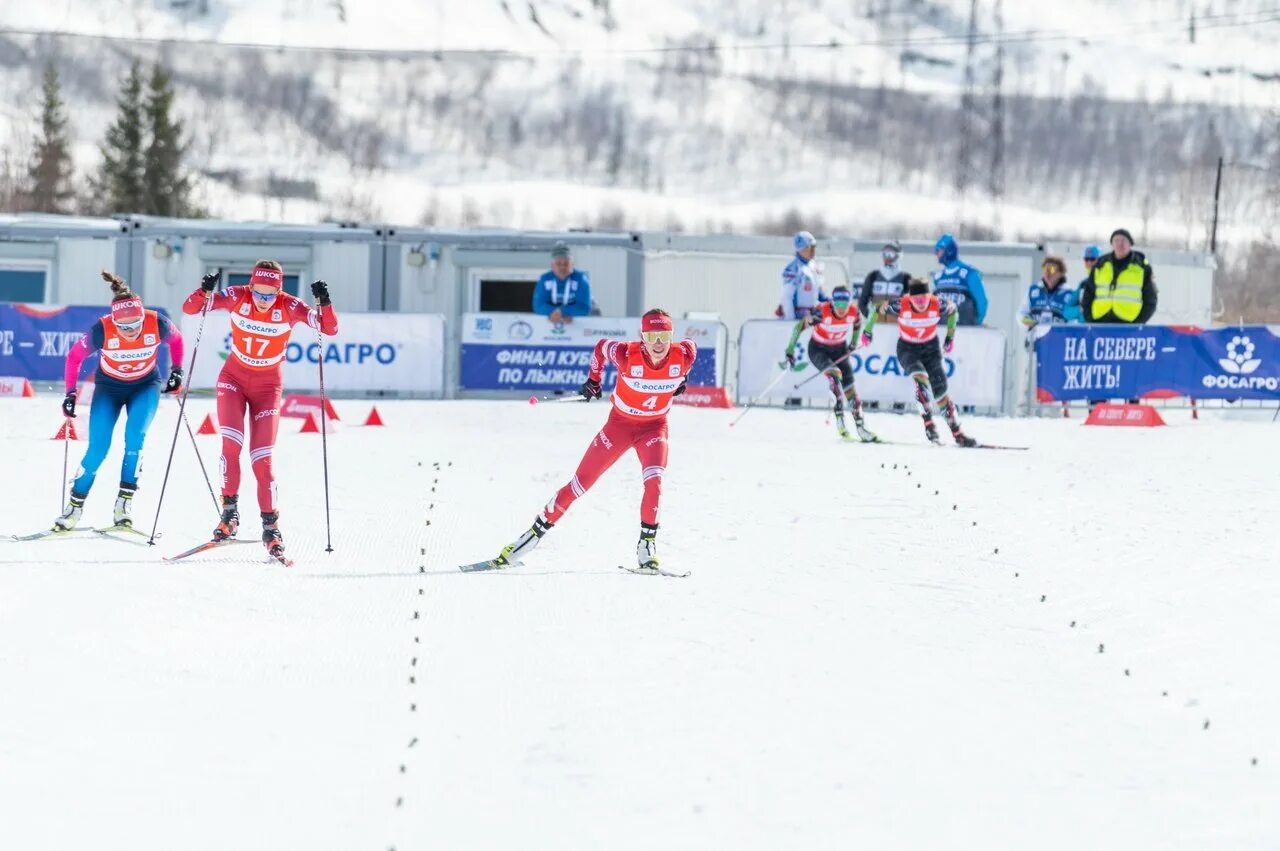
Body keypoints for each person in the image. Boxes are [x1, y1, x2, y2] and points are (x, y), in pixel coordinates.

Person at [480, 309, 695, 574]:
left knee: (655, 481)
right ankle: (527, 540)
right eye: (652, 336)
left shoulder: (683, 355)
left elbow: (691, 347)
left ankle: (646, 548)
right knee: (579, 485)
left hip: (654, 427)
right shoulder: (626, 354)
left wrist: (683, 378)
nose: (659, 343)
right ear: (642, 337)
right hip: (620, 426)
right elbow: (601, 346)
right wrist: (593, 381)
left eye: (664, 336)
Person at [181, 262, 338, 561]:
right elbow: (191, 309)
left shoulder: (290, 306)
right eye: (259, 294)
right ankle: (229, 516)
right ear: (251, 287)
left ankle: (272, 528)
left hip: (268, 389)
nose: (263, 301)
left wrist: (325, 303)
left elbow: (328, 327)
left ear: (279, 290)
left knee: (262, 460)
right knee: (230, 446)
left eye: (270, 294)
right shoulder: (237, 296)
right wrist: (203, 290)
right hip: (232, 380)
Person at [54, 271, 185, 530]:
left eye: (135, 324)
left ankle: (123, 504)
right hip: (108, 390)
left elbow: (177, 340)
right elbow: (73, 358)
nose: (131, 331)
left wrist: (177, 370)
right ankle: (74, 508)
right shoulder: (101, 329)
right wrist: (70, 393)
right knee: (98, 449)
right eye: (124, 327)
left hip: (145, 387)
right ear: (114, 321)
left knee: (135, 438)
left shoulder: (157, 322)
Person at [861, 278, 977, 447]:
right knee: (920, 378)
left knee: (941, 392)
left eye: (924, 298)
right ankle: (929, 424)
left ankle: (957, 433)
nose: (921, 303)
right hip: (908, 349)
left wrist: (950, 337)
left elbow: (953, 311)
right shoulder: (901, 305)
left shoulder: (938, 304)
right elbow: (875, 309)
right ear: (910, 297)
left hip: (931, 349)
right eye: (916, 299)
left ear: (929, 296)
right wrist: (867, 331)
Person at [783, 285, 876, 442]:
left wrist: (853, 343)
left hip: (839, 350)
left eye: (844, 304)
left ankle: (861, 427)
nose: (841, 308)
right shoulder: (822, 312)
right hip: (818, 349)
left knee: (851, 391)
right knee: (834, 375)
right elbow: (798, 327)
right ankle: (840, 418)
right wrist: (790, 350)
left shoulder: (853, 312)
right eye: (837, 304)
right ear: (832, 303)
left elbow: (857, 324)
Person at [1080, 228, 1157, 324]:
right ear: (1112, 244)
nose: (1120, 244)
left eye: (1124, 240)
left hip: (1128, 326)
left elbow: (1150, 300)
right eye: (1116, 240)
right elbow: (1088, 294)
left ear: (1130, 244)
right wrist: (1090, 319)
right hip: (1100, 323)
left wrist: (1137, 324)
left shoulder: (1142, 267)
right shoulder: (1100, 265)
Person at [931, 233, 988, 326]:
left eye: (939, 250)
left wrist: (976, 323)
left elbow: (981, 302)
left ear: (949, 250)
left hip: (965, 331)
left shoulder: (970, 274)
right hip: (943, 331)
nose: (936, 254)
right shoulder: (938, 277)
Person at [532, 241, 591, 323]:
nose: (562, 267)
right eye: (558, 264)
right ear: (552, 266)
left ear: (572, 265)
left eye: (566, 264)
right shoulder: (545, 279)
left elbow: (584, 308)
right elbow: (538, 305)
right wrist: (556, 313)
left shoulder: (581, 279)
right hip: (554, 320)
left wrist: (562, 312)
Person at [1020, 256, 1082, 329]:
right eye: (1045, 269)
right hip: (1035, 338)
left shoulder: (1070, 294)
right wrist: (1030, 323)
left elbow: (1074, 322)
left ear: (1060, 273)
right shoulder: (1033, 290)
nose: (1047, 273)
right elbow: (1021, 314)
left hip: (1057, 338)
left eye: (1051, 269)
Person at [857, 239, 910, 320]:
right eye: (885, 254)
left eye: (891, 254)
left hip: (896, 326)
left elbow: (910, 303)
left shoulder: (906, 278)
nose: (887, 257)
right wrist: (869, 316)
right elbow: (862, 301)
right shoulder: (873, 276)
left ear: (899, 256)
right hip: (876, 325)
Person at [777, 231, 823, 320]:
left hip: (811, 315)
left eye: (814, 247)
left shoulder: (813, 266)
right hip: (799, 316)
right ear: (801, 249)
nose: (814, 251)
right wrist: (790, 320)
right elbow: (787, 297)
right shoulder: (793, 269)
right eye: (810, 248)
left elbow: (819, 293)